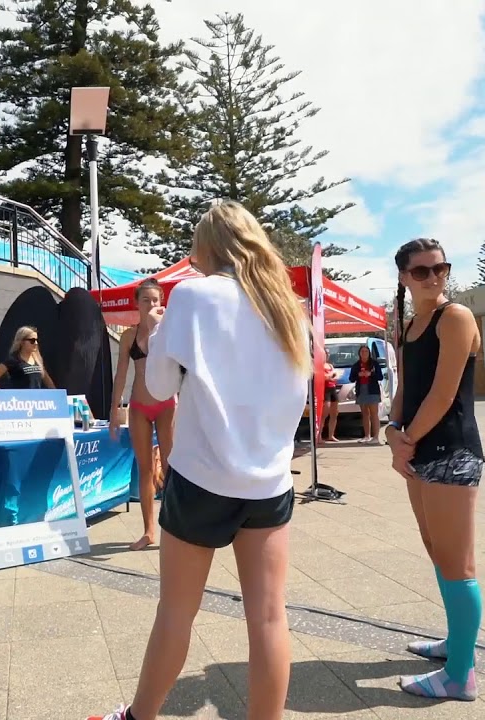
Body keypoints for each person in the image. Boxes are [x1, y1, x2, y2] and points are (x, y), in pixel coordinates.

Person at [88, 202, 310, 720]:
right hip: (269, 483)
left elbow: (160, 385)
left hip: (202, 476)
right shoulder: (287, 309)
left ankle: (138, 717)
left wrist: (166, 335)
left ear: (207, 248)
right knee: (270, 618)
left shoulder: (191, 295)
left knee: (177, 612)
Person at [385, 238, 483, 702]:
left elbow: (444, 395)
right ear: (404, 277)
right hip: (422, 448)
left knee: (457, 561)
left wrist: (405, 442)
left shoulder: (456, 317)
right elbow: (408, 386)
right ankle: (455, 643)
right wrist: (392, 430)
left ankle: (461, 674)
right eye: (421, 271)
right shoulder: (411, 324)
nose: (433, 277)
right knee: (435, 548)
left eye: (440, 268)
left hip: (453, 451)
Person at [110, 279, 176, 551]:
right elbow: (121, 373)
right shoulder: (128, 336)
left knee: (171, 468)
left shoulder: (169, 332)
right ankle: (149, 530)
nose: (152, 304)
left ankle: (174, 527)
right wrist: (115, 409)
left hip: (166, 405)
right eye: (146, 300)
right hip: (139, 406)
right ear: (137, 303)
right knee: (145, 468)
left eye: (156, 300)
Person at [0, 326, 56, 390]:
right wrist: (4, 397)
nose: (36, 343)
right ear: (22, 342)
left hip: (37, 402)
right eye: (32, 340)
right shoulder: (13, 360)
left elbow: (48, 382)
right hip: (22, 401)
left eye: (37, 340)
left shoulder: (37, 359)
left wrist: (55, 394)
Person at [349, 346, 383, 444]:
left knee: (374, 414)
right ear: (359, 353)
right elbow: (351, 378)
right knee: (364, 413)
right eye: (362, 351)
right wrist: (358, 375)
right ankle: (366, 436)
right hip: (361, 389)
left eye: (366, 351)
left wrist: (370, 374)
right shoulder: (356, 365)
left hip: (372, 390)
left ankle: (376, 437)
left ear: (369, 353)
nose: (364, 353)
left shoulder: (374, 364)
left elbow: (380, 377)